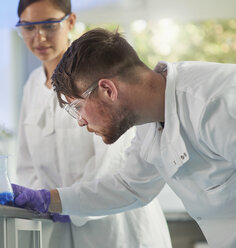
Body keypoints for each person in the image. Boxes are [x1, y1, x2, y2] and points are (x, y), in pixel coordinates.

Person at [12, 28, 236, 247]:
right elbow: (130, 187)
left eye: (78, 107)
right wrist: (48, 199)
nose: (79, 121)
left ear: (108, 90)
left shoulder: (216, 103)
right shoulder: (149, 123)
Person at [14, 1, 172, 247]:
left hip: (118, 225)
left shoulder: (95, 71)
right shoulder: (31, 86)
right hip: (60, 226)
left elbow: (113, 161)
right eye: (29, 28)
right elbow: (26, 163)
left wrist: (66, 204)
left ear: (71, 22)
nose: (39, 37)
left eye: (49, 25)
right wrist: (43, 200)